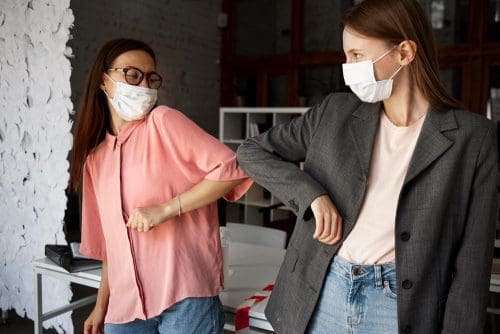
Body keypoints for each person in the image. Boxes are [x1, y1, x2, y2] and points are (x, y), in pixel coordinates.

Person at [236, 0, 498, 333]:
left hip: (401, 308)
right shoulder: (334, 112)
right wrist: (312, 196)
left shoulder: (473, 138)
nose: (348, 67)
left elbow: (473, 260)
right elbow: (251, 150)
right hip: (322, 291)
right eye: (346, 55)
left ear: (404, 52)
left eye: (357, 55)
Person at [68, 38, 252, 334]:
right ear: (104, 80)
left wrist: (166, 209)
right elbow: (111, 248)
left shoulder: (164, 122)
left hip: (184, 298)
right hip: (125, 306)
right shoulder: (95, 159)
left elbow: (232, 169)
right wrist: (100, 306)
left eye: (150, 77)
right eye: (132, 74)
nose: (143, 85)